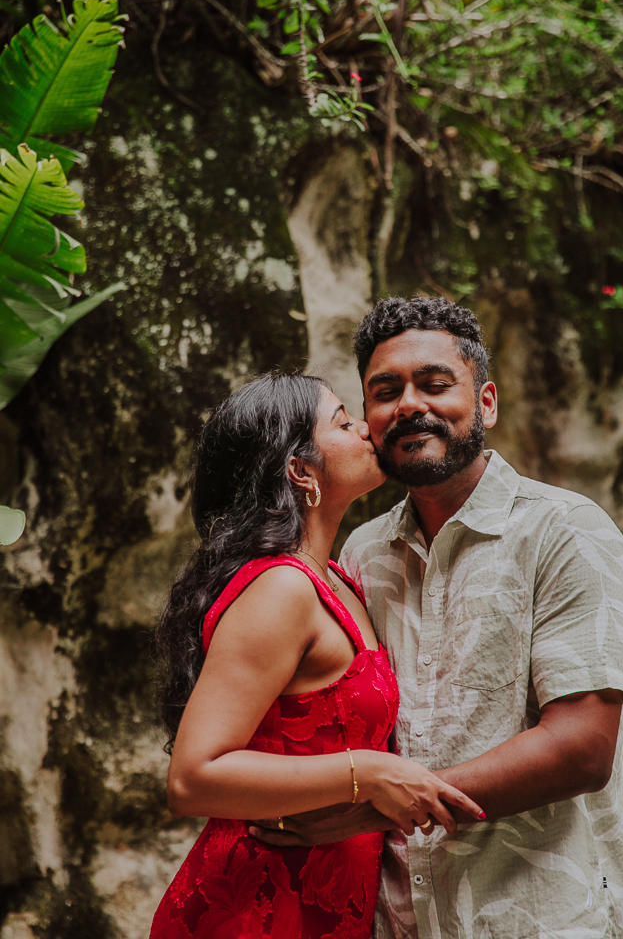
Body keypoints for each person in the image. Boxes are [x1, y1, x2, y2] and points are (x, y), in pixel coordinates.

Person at [250, 298, 623, 939]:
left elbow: (581, 748)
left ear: (485, 402)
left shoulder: (565, 531)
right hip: (394, 920)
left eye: (434, 384)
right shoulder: (361, 553)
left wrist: (375, 804)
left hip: (536, 917)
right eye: (385, 392)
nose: (408, 405)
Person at [150, 372, 484, 939]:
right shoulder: (281, 588)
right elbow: (194, 777)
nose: (366, 430)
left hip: (324, 906)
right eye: (343, 422)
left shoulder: (337, 578)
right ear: (301, 471)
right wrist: (371, 772)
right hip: (254, 909)